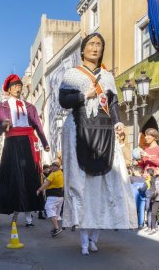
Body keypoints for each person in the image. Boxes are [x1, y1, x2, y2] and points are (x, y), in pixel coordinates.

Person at [59, 32, 137, 255]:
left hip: (104, 133)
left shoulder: (108, 77)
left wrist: (119, 123)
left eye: (99, 45)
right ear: (83, 50)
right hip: (79, 131)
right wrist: (84, 95)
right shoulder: (72, 74)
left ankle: (94, 238)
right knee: (82, 187)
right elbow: (63, 101)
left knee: (104, 189)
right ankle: (83, 240)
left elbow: (112, 104)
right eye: (91, 44)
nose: (95, 48)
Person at [0, 73, 50, 226]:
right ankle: (14, 211)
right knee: (13, 178)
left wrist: (44, 142)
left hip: (27, 141)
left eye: (20, 85)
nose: (18, 88)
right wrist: (3, 125)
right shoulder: (1, 108)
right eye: (15, 86)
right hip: (11, 142)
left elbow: (38, 125)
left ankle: (29, 217)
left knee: (29, 178)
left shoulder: (30, 107)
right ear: (9, 89)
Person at [36, 161, 64, 237]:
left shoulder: (53, 174)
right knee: (56, 214)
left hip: (53, 196)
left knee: (49, 209)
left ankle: (57, 228)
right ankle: (55, 228)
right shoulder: (61, 173)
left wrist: (39, 190)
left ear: (57, 167)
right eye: (51, 166)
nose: (51, 167)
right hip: (60, 196)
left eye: (53, 166)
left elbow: (46, 184)